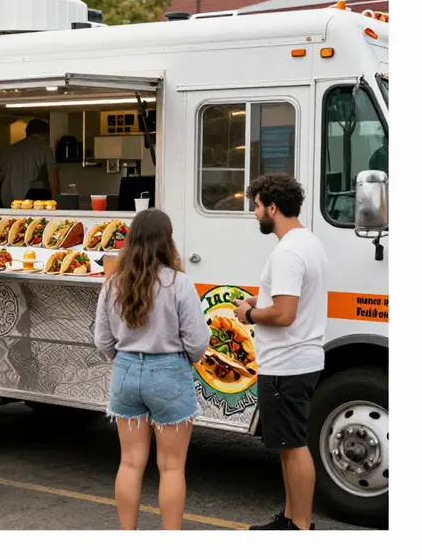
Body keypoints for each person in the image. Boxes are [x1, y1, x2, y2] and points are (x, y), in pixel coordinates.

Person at [94, 209, 210, 530]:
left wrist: (126, 357)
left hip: (126, 373)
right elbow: (198, 342)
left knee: (130, 463)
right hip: (170, 373)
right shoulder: (179, 283)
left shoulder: (113, 283)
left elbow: (103, 341)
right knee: (171, 468)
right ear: (167, 242)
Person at [234, 173, 328, 531]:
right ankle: (290, 518)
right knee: (287, 444)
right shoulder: (308, 242)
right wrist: (262, 300)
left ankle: (301, 526)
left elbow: (285, 315)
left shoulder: (287, 251)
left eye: (257, 206)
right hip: (299, 358)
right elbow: (294, 301)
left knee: (293, 445)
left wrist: (250, 314)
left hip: (287, 362)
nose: (255, 212)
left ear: (272, 207)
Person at [0, 118, 60, 207]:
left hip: (7, 198)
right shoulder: (44, 148)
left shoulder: (10, 149)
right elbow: (53, 177)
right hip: (28, 202)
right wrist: (55, 201)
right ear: (46, 133)